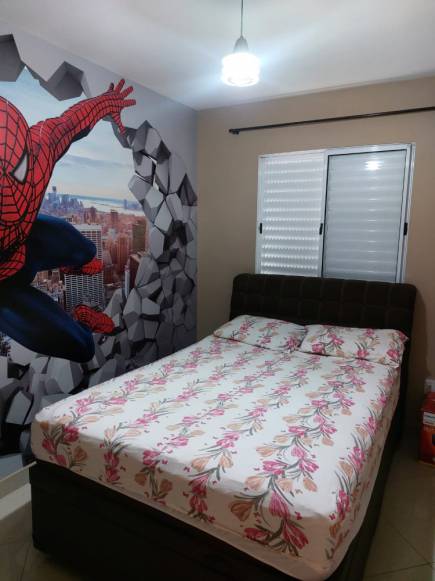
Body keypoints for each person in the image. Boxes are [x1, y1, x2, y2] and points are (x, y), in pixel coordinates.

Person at [0, 79, 135, 362]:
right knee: (81, 346)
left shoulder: (38, 150)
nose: (7, 197)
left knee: (87, 249)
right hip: (4, 288)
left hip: (26, 242)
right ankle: (83, 317)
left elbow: (71, 122)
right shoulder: (28, 160)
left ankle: (72, 266)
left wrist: (107, 101)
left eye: (15, 173)